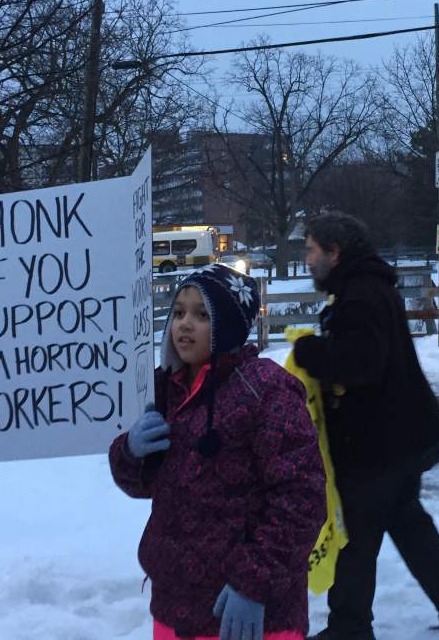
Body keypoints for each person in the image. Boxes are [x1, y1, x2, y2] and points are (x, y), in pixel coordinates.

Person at [293, 212, 439, 640]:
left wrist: (311, 352)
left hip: (377, 445)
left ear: (334, 251)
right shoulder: (362, 286)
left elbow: (363, 363)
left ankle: (349, 629)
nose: (307, 258)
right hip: (397, 438)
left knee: (355, 540)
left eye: (311, 249)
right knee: (410, 528)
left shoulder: (361, 293)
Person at [110, 263, 325, 640]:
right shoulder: (162, 390)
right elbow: (142, 485)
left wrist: (253, 583)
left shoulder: (266, 389)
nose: (185, 324)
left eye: (201, 314)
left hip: (245, 615)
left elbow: (301, 498)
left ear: (227, 322)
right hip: (177, 605)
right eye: (178, 313)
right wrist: (129, 452)